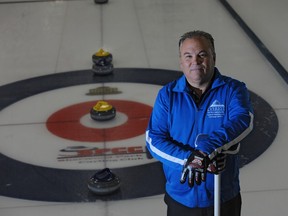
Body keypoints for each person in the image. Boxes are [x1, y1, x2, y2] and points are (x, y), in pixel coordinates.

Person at [145, 30, 254, 216]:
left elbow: (243, 121)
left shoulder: (233, 90)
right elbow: (154, 140)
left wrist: (208, 149)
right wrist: (189, 160)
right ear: (181, 61)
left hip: (223, 197)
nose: (195, 61)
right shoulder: (168, 95)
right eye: (188, 56)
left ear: (214, 57)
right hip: (181, 197)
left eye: (202, 55)